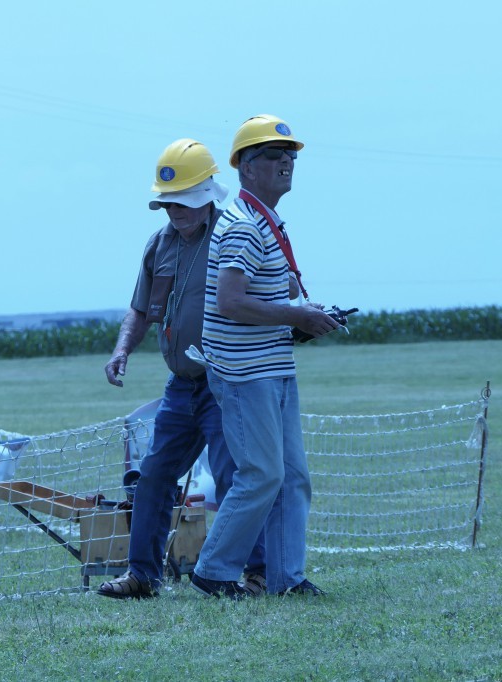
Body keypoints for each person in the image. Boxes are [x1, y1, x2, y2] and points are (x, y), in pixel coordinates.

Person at [97, 139, 267, 600]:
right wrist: (122, 351)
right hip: (181, 385)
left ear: (210, 193)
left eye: (185, 202)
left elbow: (271, 292)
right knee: (153, 475)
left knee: (238, 475)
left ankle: (256, 574)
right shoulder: (160, 244)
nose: (175, 212)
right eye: (168, 203)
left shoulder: (234, 231)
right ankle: (143, 575)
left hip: (225, 381)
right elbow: (139, 310)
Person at [188, 114, 341, 599]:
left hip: (272, 367)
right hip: (243, 372)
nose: (285, 164)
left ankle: (287, 579)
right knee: (263, 474)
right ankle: (213, 571)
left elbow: (262, 297)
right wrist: (296, 317)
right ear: (245, 168)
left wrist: (303, 313)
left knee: (292, 477)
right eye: (273, 156)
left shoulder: (264, 221)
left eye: (290, 156)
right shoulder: (241, 226)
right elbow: (230, 302)